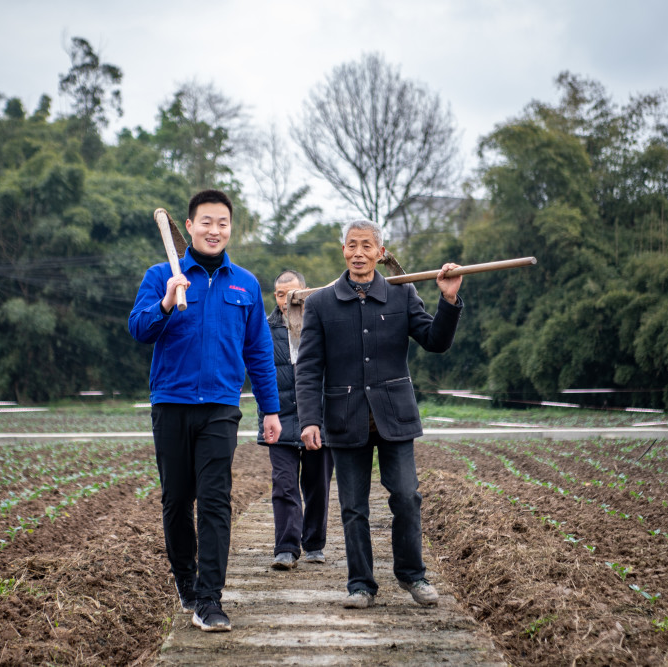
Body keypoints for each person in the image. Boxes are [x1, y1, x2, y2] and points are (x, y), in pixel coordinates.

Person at [129, 189, 282, 633]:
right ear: (189, 227)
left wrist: (270, 411)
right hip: (172, 405)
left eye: (223, 223)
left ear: (230, 229)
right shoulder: (162, 275)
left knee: (215, 502)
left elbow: (258, 352)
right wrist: (165, 301)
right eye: (206, 222)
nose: (215, 230)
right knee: (177, 501)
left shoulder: (245, 284)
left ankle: (210, 599)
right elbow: (138, 329)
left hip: (220, 407)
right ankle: (186, 580)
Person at [294, 219, 463, 610]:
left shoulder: (402, 296)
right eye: (352, 245)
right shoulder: (320, 303)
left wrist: (449, 300)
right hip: (344, 418)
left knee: (406, 496)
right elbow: (308, 368)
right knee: (354, 507)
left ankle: (413, 575)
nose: (358, 253)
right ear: (343, 251)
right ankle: (361, 585)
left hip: (394, 417)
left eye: (367, 246)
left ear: (380, 253)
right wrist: (309, 419)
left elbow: (435, 341)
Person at [257, 270, 334, 571]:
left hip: (319, 417)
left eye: (293, 293)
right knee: (284, 485)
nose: (287, 299)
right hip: (280, 417)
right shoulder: (263, 330)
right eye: (280, 294)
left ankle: (314, 544)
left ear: (306, 293)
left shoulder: (323, 325)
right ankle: (286, 547)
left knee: (318, 485)